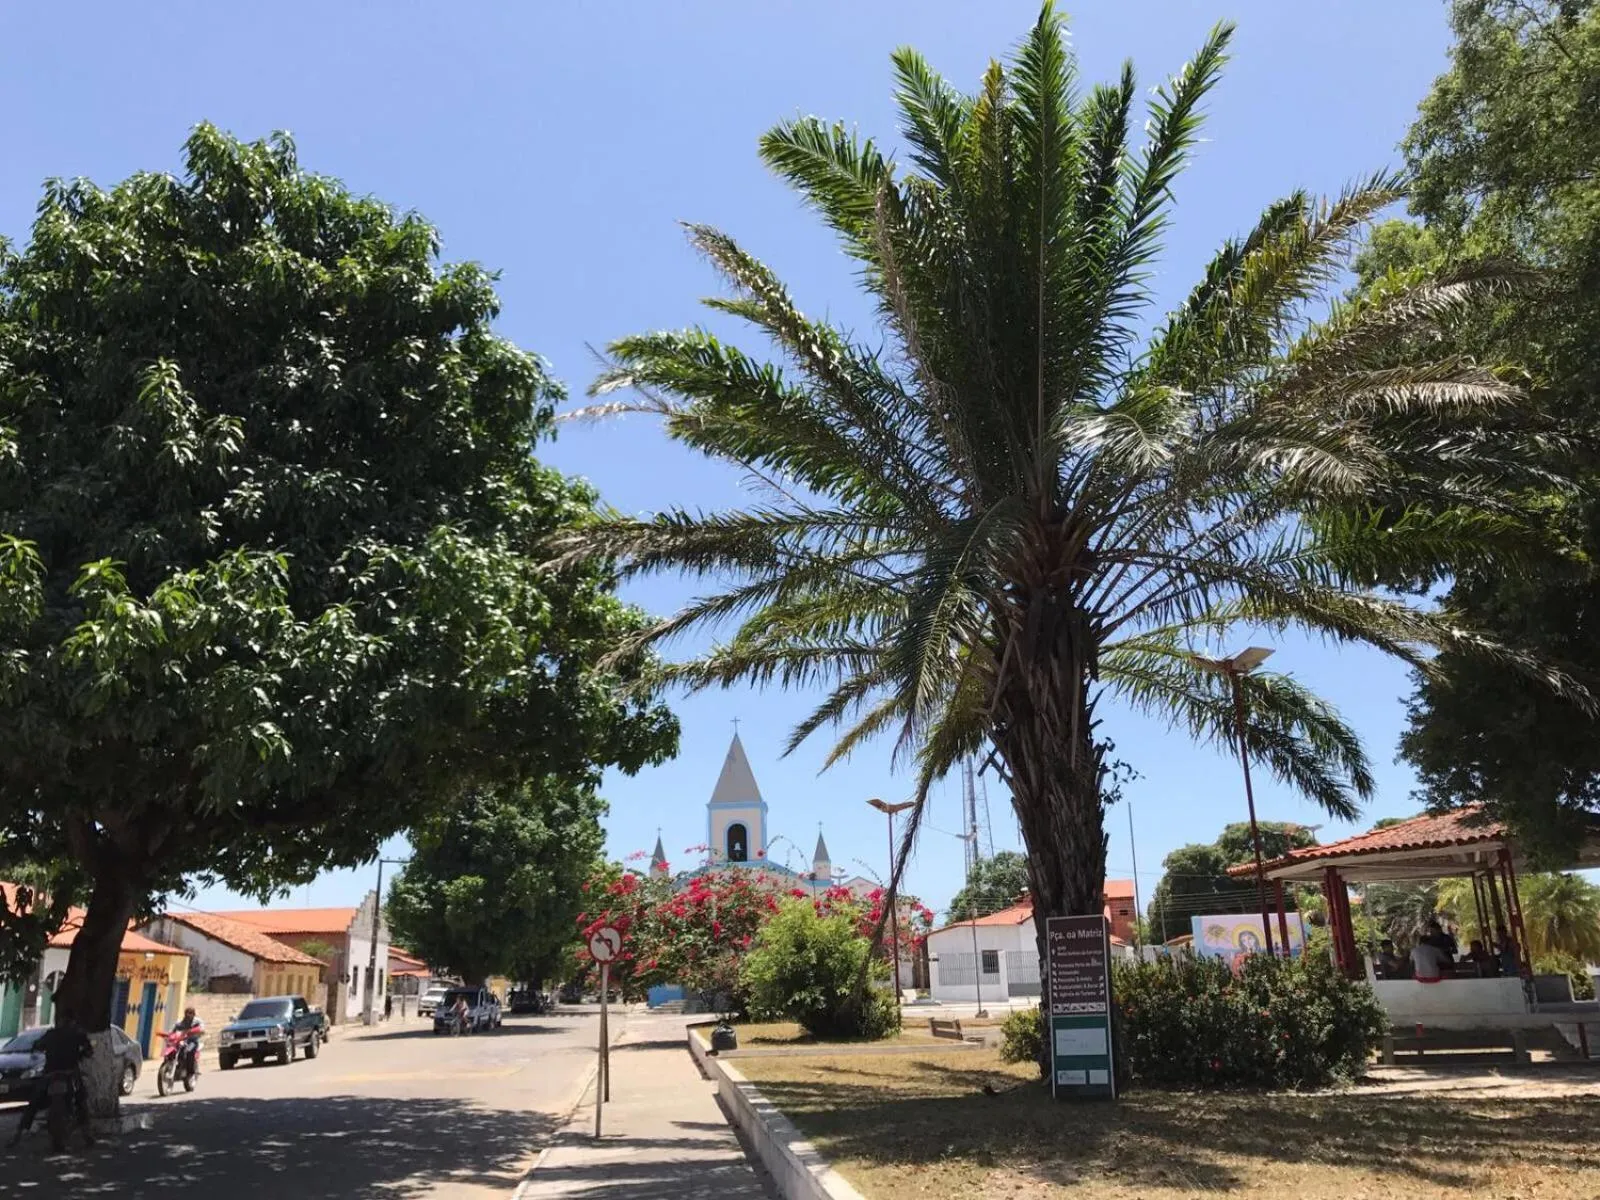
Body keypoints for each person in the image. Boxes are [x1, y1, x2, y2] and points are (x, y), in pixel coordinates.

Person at [6, 1017, 95, 1149]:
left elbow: (38, 1045)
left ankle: (18, 1134)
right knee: (81, 1099)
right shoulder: (77, 1034)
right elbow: (89, 1051)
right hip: (69, 1072)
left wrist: (38, 1047)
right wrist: (81, 1054)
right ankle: (87, 1134)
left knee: (34, 1103)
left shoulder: (51, 1034)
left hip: (51, 1073)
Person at [167, 1005, 205, 1077]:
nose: (188, 1014)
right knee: (173, 1050)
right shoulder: (181, 1022)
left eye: (190, 1013)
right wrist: (169, 1034)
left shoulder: (197, 1022)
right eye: (187, 1012)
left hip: (193, 1041)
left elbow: (202, 1029)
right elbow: (173, 1028)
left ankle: (190, 1072)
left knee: (189, 1051)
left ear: (194, 1014)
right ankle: (172, 1066)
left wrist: (197, 1030)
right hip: (182, 1040)